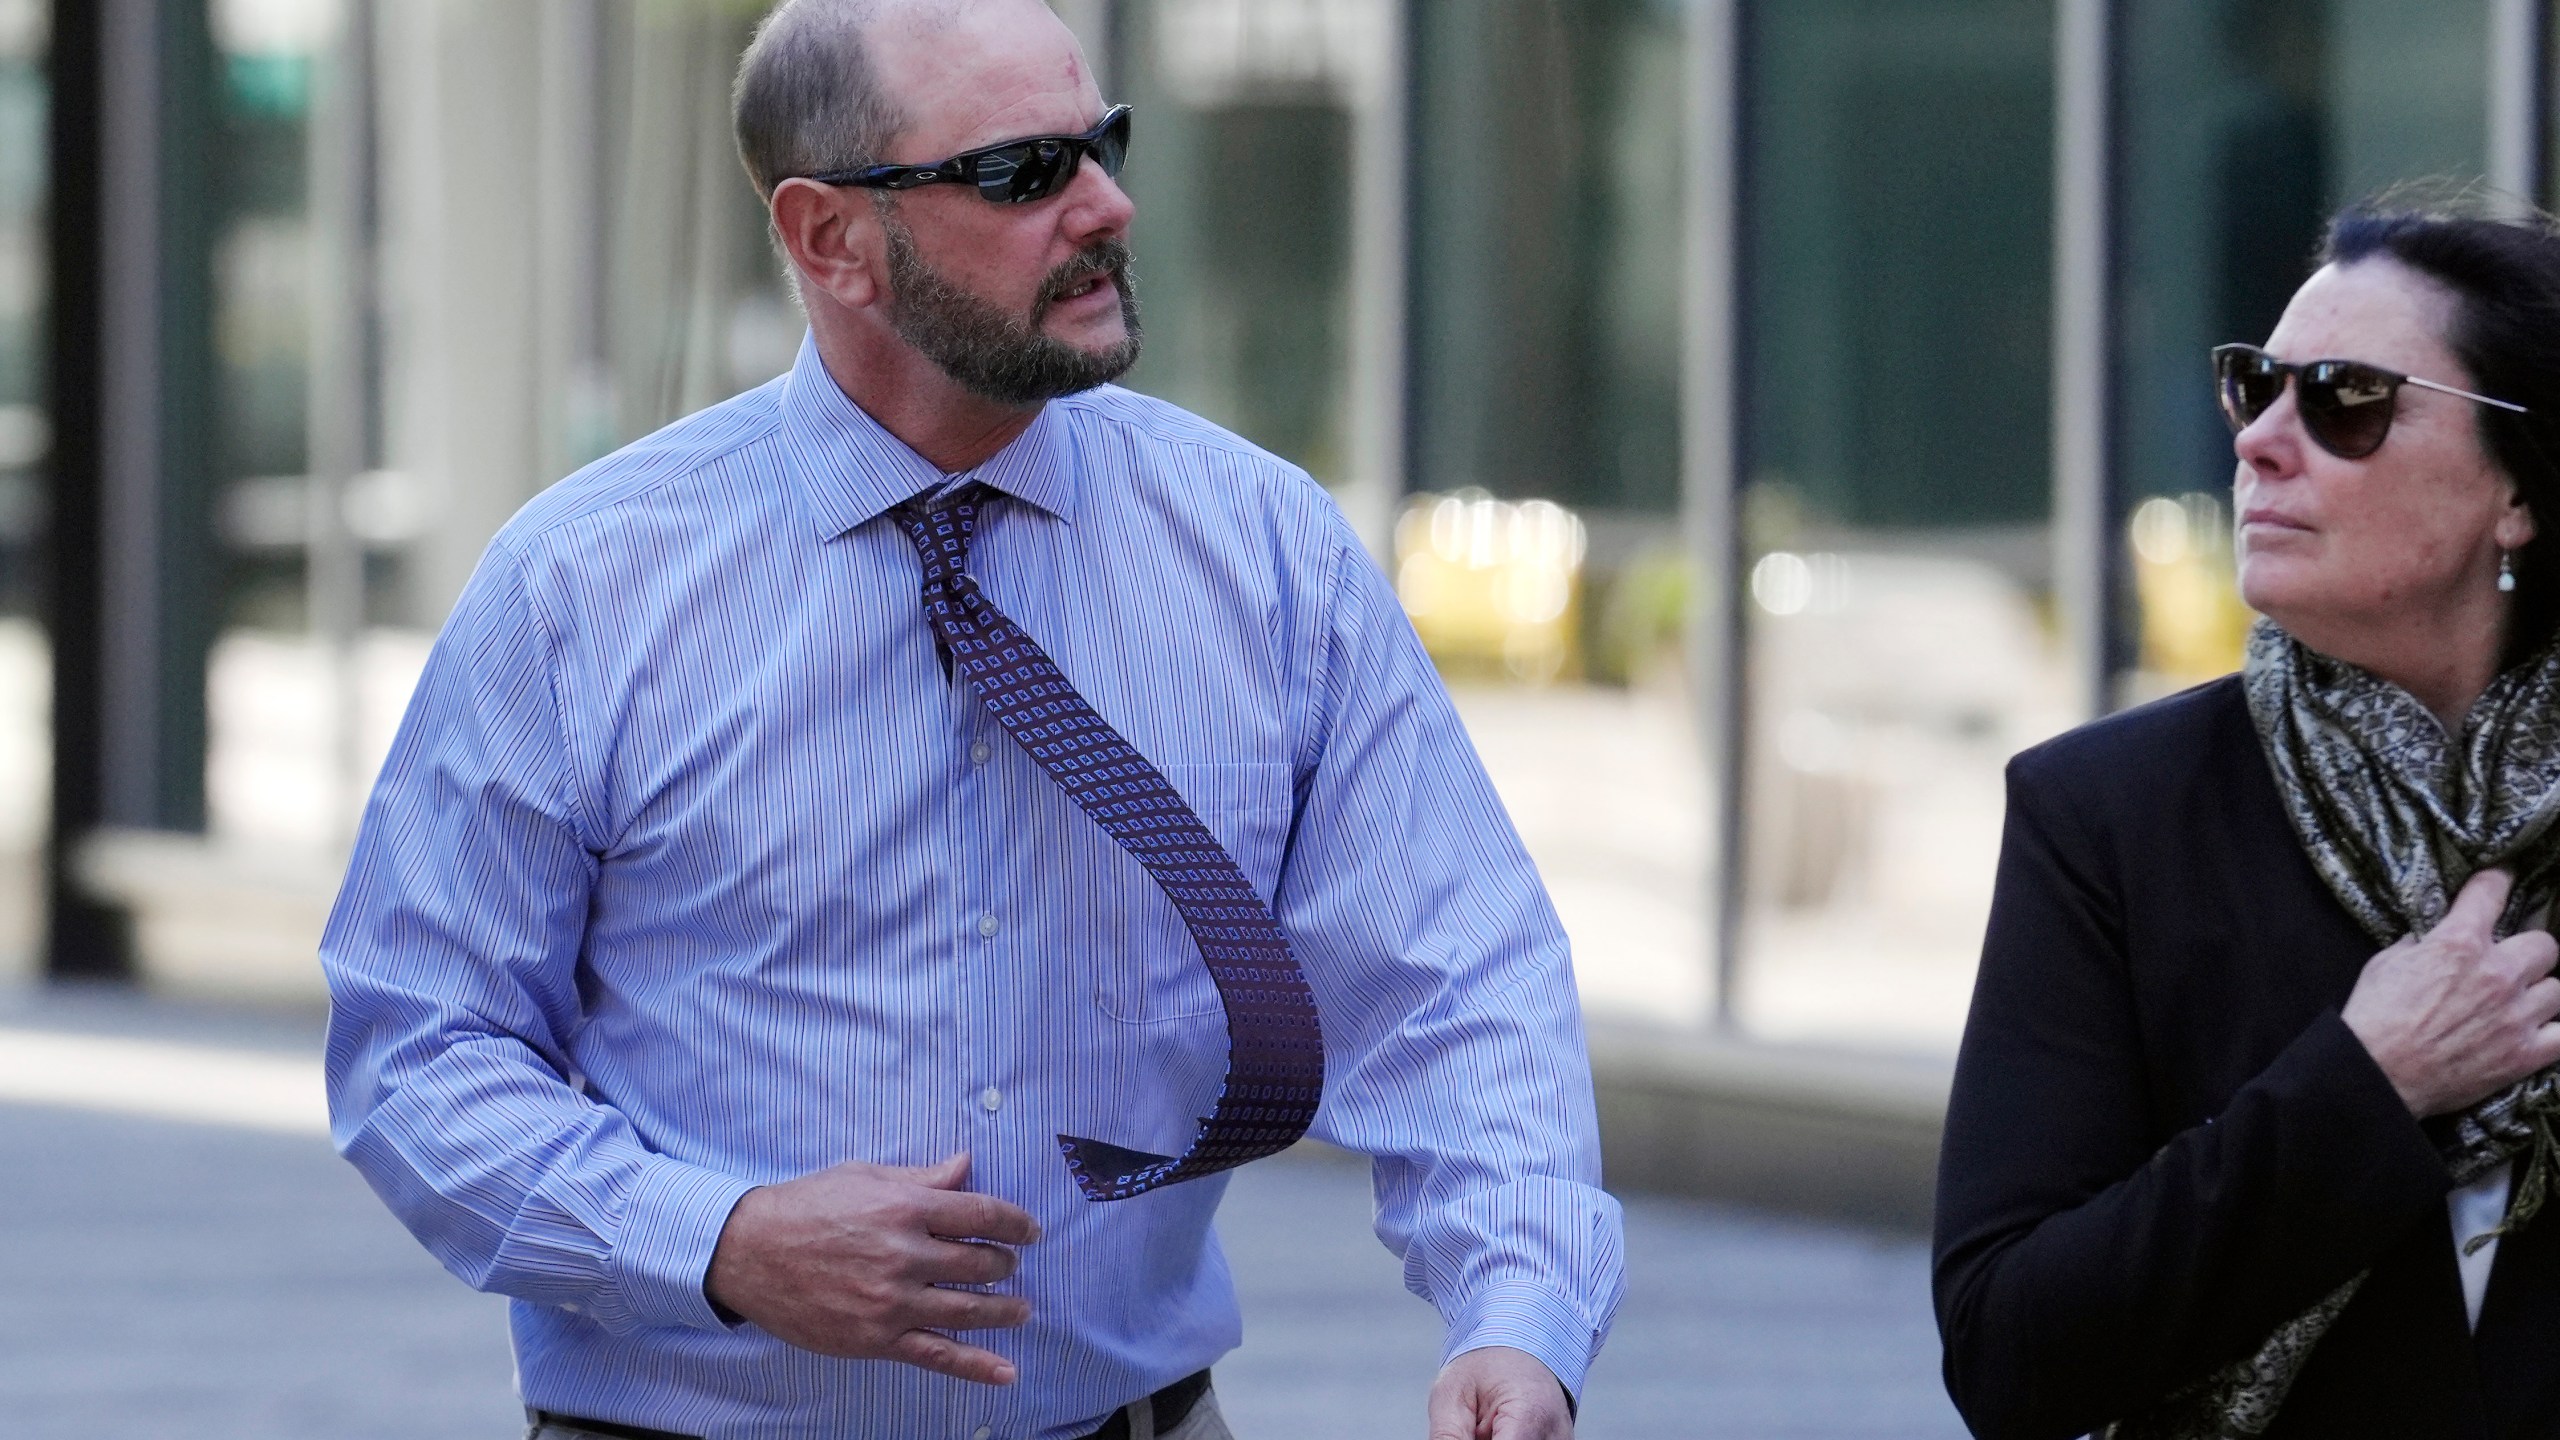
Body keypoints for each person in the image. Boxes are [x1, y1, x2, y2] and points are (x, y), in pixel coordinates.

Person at [318, 2, 1623, 1437]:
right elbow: (419, 1048)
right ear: (831, 240)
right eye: (1023, 172)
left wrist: (1519, 1309)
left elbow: (1455, 971)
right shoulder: (584, 585)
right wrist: (717, 1241)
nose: (1107, 204)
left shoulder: (1266, 556)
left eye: (1102, 146)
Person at [1934, 198, 2560, 1440]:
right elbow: (2009, 1348)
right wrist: (2365, 1086)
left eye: (2343, 398)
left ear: (2518, 494)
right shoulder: (2109, 817)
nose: (2265, 442)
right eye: (2253, 388)